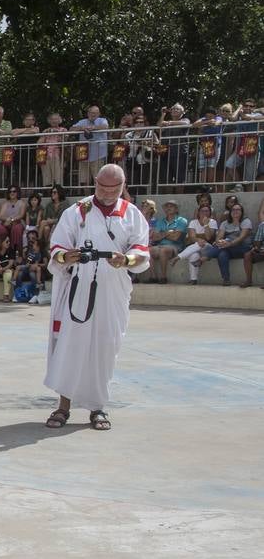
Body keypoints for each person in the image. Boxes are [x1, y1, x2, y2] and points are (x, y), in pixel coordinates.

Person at [44, 165, 149, 431]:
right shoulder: (77, 211)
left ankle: (97, 407)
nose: (107, 193)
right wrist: (66, 256)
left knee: (105, 348)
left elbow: (141, 251)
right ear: (95, 183)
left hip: (113, 289)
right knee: (72, 344)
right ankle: (63, 406)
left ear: (123, 186)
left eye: (114, 189)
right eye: (102, 187)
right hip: (80, 287)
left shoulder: (132, 214)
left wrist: (125, 259)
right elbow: (56, 246)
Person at [204, 202, 252, 285]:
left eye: (238, 210)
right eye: (233, 210)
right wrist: (221, 242)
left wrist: (229, 243)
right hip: (228, 248)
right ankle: (226, 279)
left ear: (242, 212)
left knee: (221, 248)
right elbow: (218, 238)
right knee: (222, 254)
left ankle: (205, 257)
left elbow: (241, 238)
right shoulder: (225, 223)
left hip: (243, 247)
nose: (235, 211)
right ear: (230, 212)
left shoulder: (246, 221)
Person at [172, 205, 217, 285]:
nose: (204, 213)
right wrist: (199, 240)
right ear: (198, 213)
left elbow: (209, 237)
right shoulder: (193, 222)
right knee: (194, 255)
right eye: (202, 211)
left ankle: (178, 257)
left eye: (207, 211)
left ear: (210, 213)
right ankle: (193, 279)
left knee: (202, 243)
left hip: (208, 250)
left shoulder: (213, 222)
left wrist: (206, 224)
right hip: (195, 247)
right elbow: (192, 238)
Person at [146, 200, 187, 284]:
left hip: (175, 247)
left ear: (176, 209)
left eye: (171, 206)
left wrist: (161, 234)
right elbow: (154, 238)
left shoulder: (182, 220)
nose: (168, 208)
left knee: (163, 250)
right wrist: (167, 233)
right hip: (160, 245)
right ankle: (153, 277)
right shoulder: (160, 221)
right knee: (147, 250)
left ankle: (163, 277)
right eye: (167, 206)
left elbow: (175, 237)